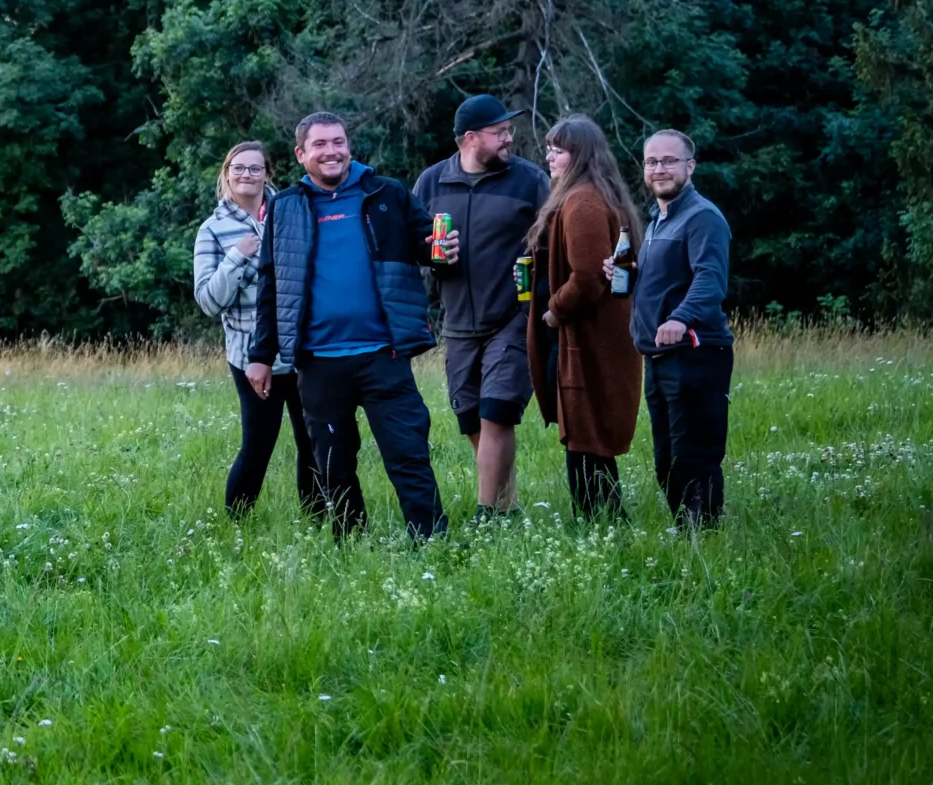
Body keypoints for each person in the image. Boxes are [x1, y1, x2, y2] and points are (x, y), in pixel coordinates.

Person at [246, 112, 448, 541]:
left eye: (337, 142)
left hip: (384, 353)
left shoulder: (386, 193)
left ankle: (431, 540)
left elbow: (428, 245)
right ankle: (349, 542)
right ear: (301, 155)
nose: (331, 151)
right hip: (318, 361)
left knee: (408, 453)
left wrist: (442, 248)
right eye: (319, 145)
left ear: (349, 147)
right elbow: (271, 284)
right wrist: (260, 356)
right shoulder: (285, 207)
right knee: (333, 463)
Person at [410, 94, 550, 518]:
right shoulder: (431, 183)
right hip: (457, 323)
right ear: (470, 138)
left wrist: (536, 308)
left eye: (509, 130)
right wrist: (432, 254)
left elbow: (552, 244)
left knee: (497, 411)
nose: (509, 138)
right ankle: (509, 503)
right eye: (499, 132)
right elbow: (414, 243)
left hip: (511, 318)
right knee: (470, 418)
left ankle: (488, 516)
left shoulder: (529, 180)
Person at [193, 140, 338, 521]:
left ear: (267, 174)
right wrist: (237, 256)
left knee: (313, 442)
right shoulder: (213, 230)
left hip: (305, 348)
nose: (247, 175)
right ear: (226, 174)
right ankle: (236, 524)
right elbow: (208, 301)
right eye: (238, 168)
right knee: (259, 443)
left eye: (255, 168)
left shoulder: (290, 212)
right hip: (252, 356)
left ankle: (317, 522)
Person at [524, 115, 644, 519]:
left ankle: (602, 523)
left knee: (585, 438)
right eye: (549, 150)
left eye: (557, 151)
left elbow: (590, 276)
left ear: (579, 156)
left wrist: (554, 311)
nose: (549, 158)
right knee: (584, 438)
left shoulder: (584, 202)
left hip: (588, 341)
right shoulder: (585, 195)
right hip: (591, 340)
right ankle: (604, 521)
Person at [630, 129, 734, 527]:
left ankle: (703, 537)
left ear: (690, 167)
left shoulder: (702, 217)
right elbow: (669, 278)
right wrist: (631, 274)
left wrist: (679, 318)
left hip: (696, 351)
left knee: (694, 455)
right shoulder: (659, 219)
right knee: (666, 459)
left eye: (669, 161)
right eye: (652, 162)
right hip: (658, 356)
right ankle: (685, 532)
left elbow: (709, 278)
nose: (659, 169)